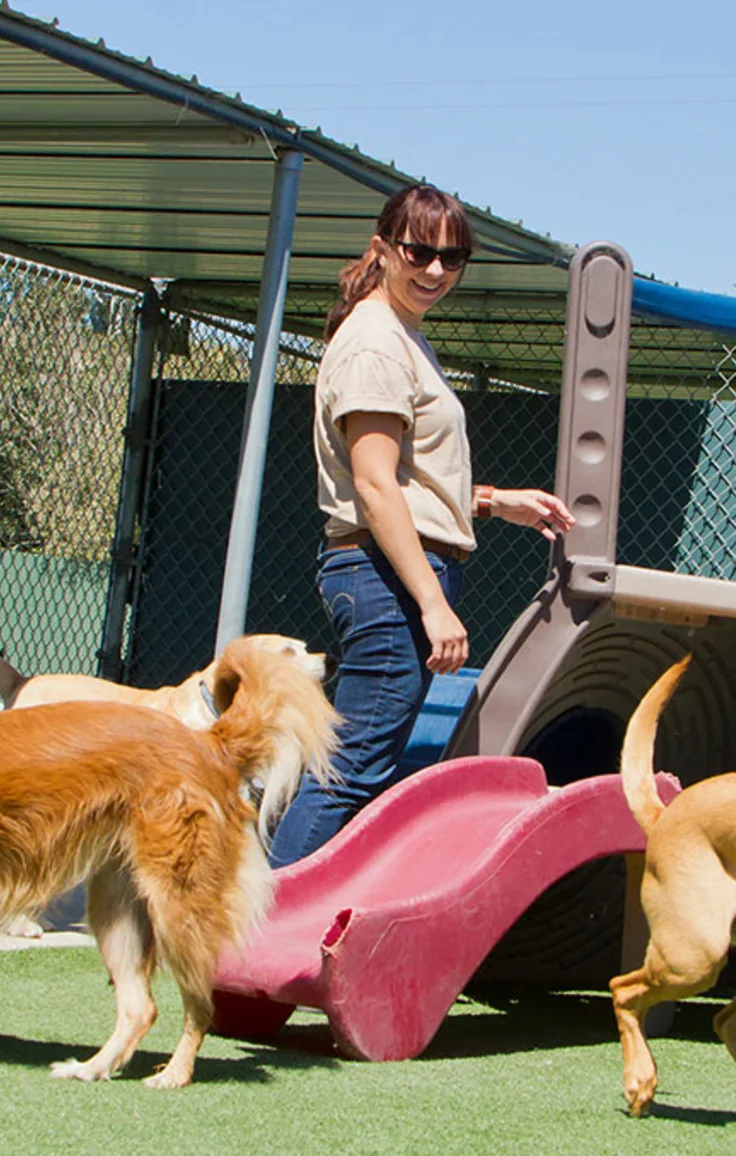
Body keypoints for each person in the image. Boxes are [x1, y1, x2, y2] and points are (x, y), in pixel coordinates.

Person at [267, 183, 574, 867]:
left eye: (453, 257)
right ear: (383, 249)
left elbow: (405, 481)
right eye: (419, 251)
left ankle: (278, 936)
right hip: (386, 581)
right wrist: (432, 605)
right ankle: (256, 946)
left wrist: (494, 501)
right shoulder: (376, 342)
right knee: (352, 773)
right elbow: (374, 486)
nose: (435, 270)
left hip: (391, 574)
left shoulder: (401, 334)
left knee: (356, 769)